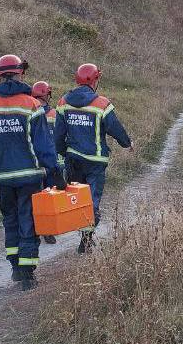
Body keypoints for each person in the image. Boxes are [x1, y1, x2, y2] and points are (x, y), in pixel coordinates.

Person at [0, 55, 64, 289]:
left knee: (10, 220)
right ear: (20, 73)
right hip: (31, 176)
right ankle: (27, 274)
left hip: (3, 176)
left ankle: (14, 267)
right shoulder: (31, 105)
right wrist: (55, 173)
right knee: (28, 221)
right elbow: (44, 145)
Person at [53, 62, 132, 253]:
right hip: (96, 162)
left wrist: (65, 153)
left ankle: (84, 237)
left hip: (73, 159)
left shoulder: (63, 102)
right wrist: (127, 143)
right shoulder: (102, 103)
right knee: (92, 200)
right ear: (94, 80)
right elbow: (114, 127)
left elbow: (57, 135)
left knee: (78, 199)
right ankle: (86, 241)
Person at [31, 80, 60, 245]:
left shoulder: (29, 111)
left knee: (35, 195)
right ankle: (48, 230)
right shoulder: (54, 114)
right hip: (51, 161)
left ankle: (34, 227)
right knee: (49, 195)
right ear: (47, 95)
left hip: (33, 162)